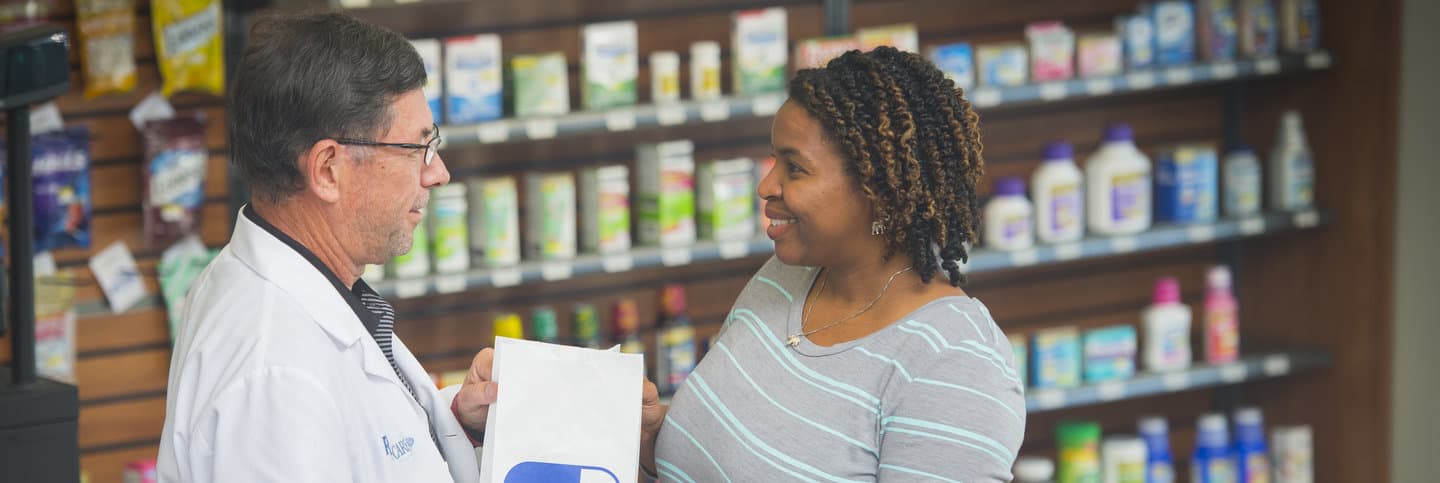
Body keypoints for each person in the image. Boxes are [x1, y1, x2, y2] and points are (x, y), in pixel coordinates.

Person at [643, 46, 1027, 481]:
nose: (767, 186)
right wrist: (653, 440)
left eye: (795, 168)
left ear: (879, 191)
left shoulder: (955, 361)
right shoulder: (787, 276)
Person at [157, 12, 503, 482]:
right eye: (417, 148)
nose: (437, 173)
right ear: (326, 170)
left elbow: (360, 442)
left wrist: (456, 420)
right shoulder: (274, 381)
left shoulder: (294, 281)